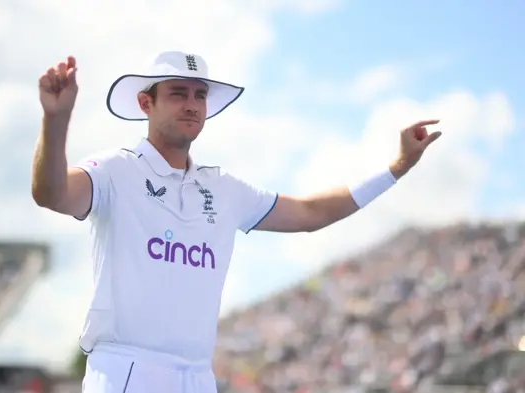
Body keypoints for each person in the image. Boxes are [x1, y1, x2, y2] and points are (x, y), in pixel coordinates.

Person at [31, 51, 442, 393]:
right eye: (177, 94)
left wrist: (398, 166)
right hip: (127, 372)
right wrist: (55, 121)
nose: (192, 104)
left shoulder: (223, 188)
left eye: (199, 95)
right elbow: (51, 194)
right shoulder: (114, 170)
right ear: (145, 104)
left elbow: (310, 214)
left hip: (197, 377)